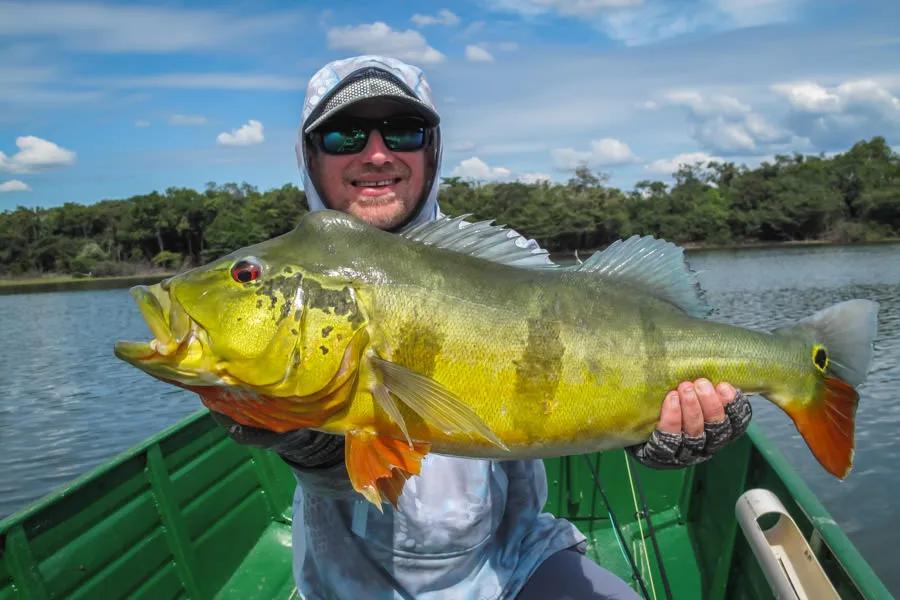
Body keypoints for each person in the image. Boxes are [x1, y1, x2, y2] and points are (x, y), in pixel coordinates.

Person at [213, 55, 752, 600]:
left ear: (432, 150)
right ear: (309, 155)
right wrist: (308, 443)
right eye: (343, 135)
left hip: (514, 563)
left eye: (403, 131)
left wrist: (650, 431)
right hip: (346, 586)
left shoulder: (511, 261)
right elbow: (352, 476)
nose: (376, 153)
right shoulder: (278, 284)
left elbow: (582, 373)